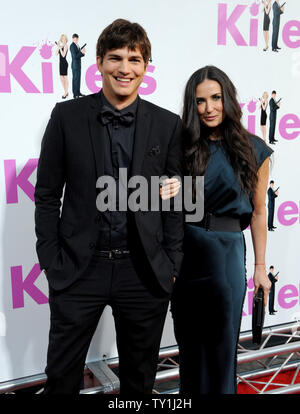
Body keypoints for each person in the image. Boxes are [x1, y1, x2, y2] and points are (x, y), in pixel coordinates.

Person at [34, 19, 184, 394]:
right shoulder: (67, 118)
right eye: (115, 57)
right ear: (98, 62)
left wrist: (173, 264)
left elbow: (176, 200)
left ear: (146, 66)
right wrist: (52, 259)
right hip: (79, 269)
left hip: (144, 271)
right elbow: (47, 194)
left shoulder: (167, 125)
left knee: (138, 380)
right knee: (61, 377)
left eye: (134, 59)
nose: (124, 68)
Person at [160, 65, 272, 394]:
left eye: (215, 98)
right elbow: (167, 207)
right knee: (190, 351)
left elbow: (259, 210)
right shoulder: (181, 147)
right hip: (186, 253)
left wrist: (260, 267)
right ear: (191, 106)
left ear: (228, 99)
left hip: (226, 255)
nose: (208, 108)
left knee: (222, 352)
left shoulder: (254, 149)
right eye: (200, 101)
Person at [70, 33, 85, 99]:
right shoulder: (72, 46)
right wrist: (81, 52)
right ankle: (75, 94)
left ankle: (78, 92)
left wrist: (82, 53)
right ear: (73, 39)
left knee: (78, 79)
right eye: (75, 39)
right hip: (75, 65)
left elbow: (78, 55)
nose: (76, 40)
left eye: (77, 39)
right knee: (75, 79)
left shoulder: (77, 45)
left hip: (78, 65)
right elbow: (75, 56)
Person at [56, 34, 69, 99]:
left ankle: (66, 92)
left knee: (65, 78)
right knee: (61, 78)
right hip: (60, 63)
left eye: (64, 39)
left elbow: (63, 55)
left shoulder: (66, 46)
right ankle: (65, 91)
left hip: (64, 63)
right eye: (62, 39)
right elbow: (56, 54)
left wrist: (60, 48)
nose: (63, 40)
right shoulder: (61, 46)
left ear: (66, 40)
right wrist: (58, 47)